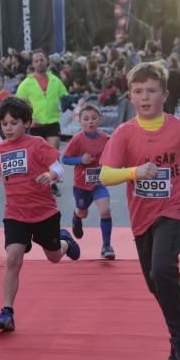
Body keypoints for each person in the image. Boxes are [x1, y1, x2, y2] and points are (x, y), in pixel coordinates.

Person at [100, 63, 180, 360]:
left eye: (151, 91)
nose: (145, 97)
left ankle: (179, 338)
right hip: (142, 217)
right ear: (130, 97)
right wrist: (135, 171)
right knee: (155, 282)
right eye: (138, 92)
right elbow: (106, 175)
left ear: (165, 95)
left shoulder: (178, 128)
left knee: (163, 268)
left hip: (176, 208)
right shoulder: (124, 134)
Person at [0, 97, 81, 332]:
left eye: (14, 123)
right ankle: (7, 312)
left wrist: (50, 176)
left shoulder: (37, 144)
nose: (8, 128)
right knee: (12, 258)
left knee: (54, 257)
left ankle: (64, 242)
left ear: (27, 123)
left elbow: (58, 166)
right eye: (5, 124)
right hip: (16, 213)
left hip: (44, 213)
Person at [61, 104, 115, 259]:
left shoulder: (104, 137)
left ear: (100, 119)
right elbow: (64, 158)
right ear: (80, 121)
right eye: (86, 119)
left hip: (98, 183)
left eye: (93, 118)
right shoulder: (77, 139)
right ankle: (76, 218)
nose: (90, 122)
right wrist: (81, 159)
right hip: (81, 185)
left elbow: (110, 154)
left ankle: (106, 246)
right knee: (82, 212)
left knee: (105, 210)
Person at [16, 50, 68, 197]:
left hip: (52, 121)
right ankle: (38, 181)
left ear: (47, 61)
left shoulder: (55, 80)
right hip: (35, 124)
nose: (39, 62)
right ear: (33, 64)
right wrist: (27, 121)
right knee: (38, 157)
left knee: (53, 154)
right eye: (36, 61)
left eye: (42, 60)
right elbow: (18, 104)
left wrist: (73, 102)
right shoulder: (26, 83)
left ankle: (52, 184)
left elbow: (65, 96)